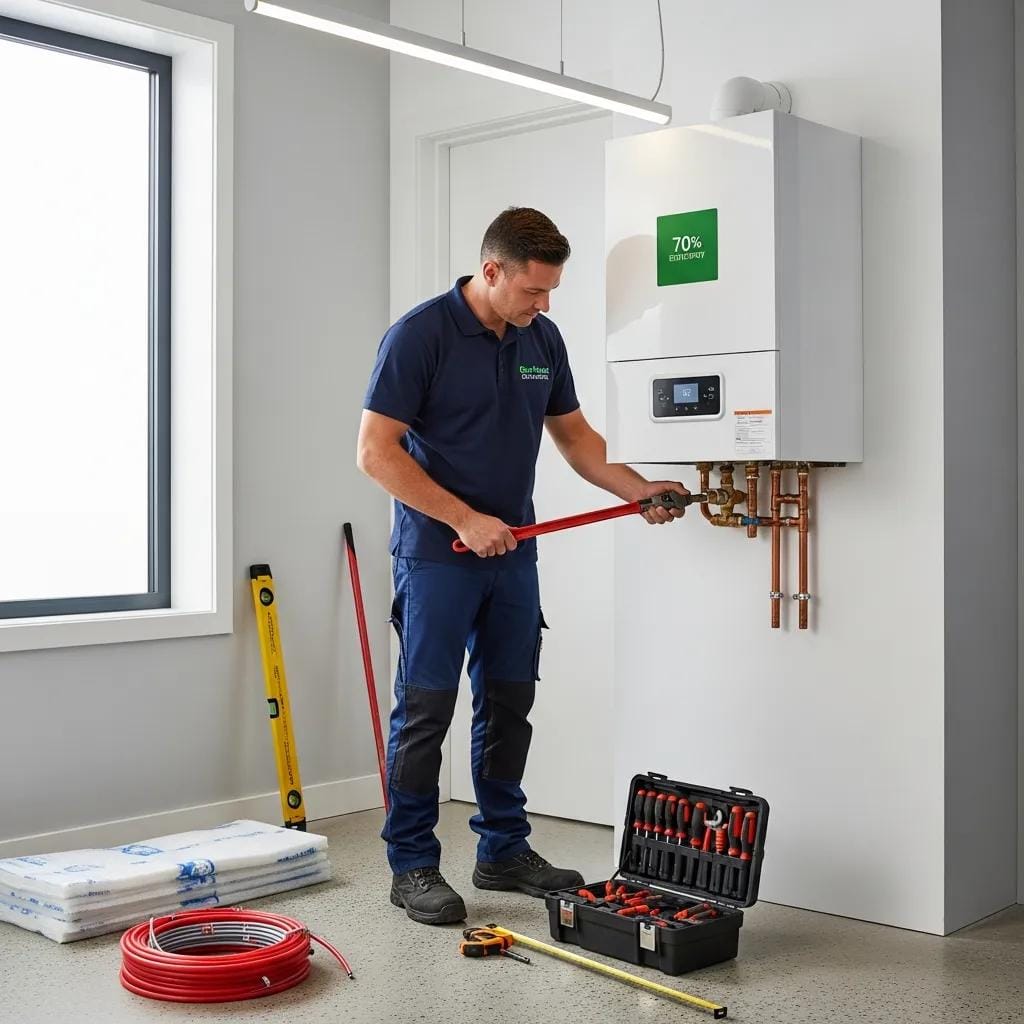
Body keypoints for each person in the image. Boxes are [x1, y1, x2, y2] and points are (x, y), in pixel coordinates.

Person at [357, 207, 689, 925]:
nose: (543, 305)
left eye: (550, 293)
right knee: (425, 712)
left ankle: (502, 849)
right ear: (492, 270)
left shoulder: (541, 338)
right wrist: (464, 519)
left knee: (509, 704)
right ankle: (411, 865)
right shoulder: (421, 336)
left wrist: (640, 490)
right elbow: (375, 451)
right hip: (438, 556)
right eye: (532, 291)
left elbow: (576, 438)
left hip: (515, 553)